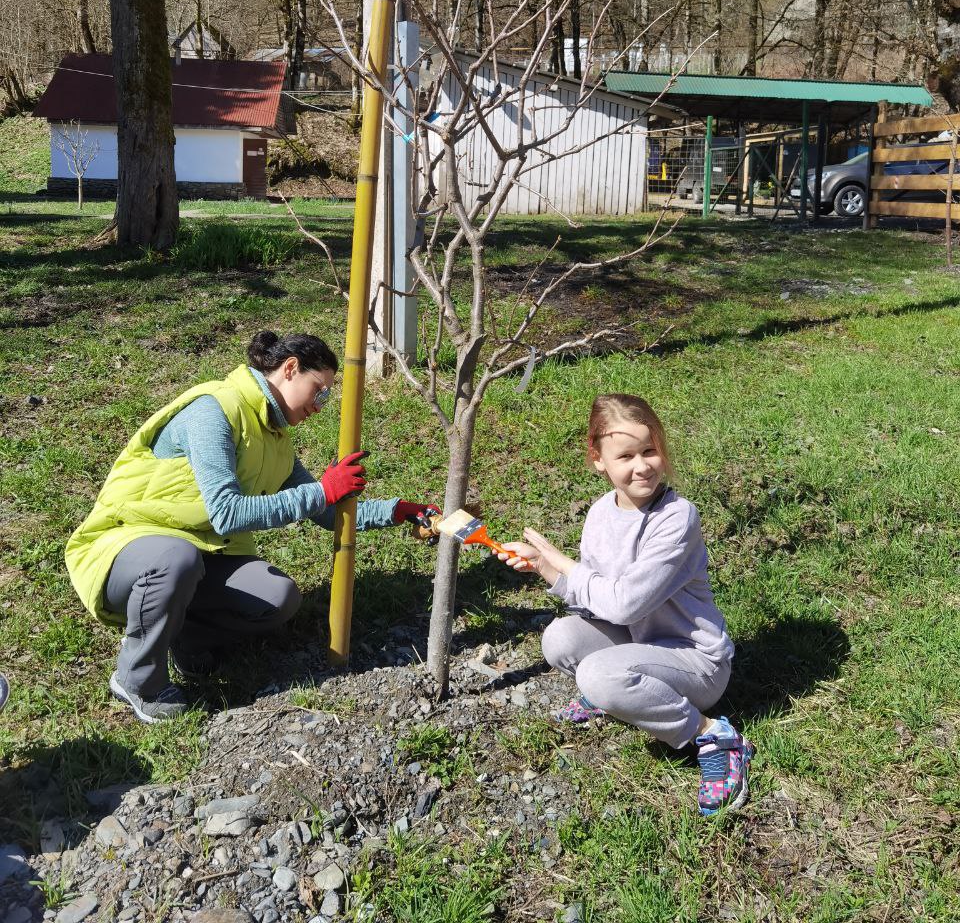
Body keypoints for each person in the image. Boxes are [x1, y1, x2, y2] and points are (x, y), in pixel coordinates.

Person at [65, 331, 438, 725]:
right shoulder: (214, 410)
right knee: (176, 559)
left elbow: (327, 511)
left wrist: (398, 511)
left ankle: (188, 641)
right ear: (290, 368)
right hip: (127, 546)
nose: (321, 405)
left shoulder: (276, 439)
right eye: (319, 391)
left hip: (200, 556)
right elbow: (227, 514)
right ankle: (138, 681)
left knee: (278, 596)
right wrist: (323, 490)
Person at [497, 393, 753, 817]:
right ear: (598, 459)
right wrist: (546, 567)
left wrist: (560, 562)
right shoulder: (600, 513)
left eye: (649, 451)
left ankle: (713, 735)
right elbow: (599, 604)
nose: (642, 466)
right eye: (626, 455)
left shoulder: (677, 517)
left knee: (597, 674)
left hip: (697, 663)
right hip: (640, 641)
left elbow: (625, 605)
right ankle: (620, 694)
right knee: (560, 638)